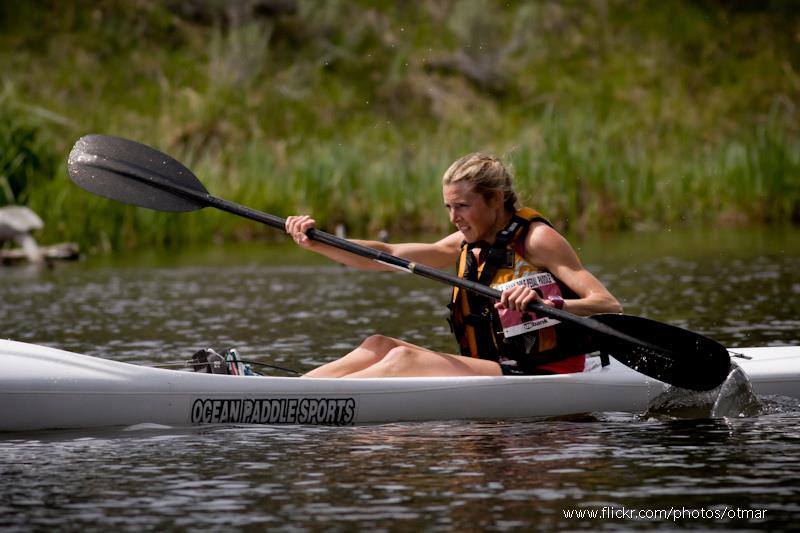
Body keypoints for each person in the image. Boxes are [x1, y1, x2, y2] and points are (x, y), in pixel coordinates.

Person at [285, 153, 622, 378]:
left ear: (495, 200)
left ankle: (312, 401)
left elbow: (608, 305)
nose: (453, 218)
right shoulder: (465, 244)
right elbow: (386, 252)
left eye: (462, 205)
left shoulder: (537, 240)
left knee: (405, 360)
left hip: (545, 374)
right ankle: (294, 391)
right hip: (496, 367)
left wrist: (550, 305)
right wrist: (318, 242)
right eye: (448, 206)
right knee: (379, 345)